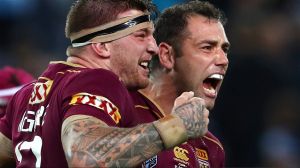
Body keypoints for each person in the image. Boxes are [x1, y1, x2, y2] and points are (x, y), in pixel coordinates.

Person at [0, 0, 209, 167]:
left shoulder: (27, 94)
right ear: (101, 46)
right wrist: (177, 125)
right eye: (141, 36)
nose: (153, 47)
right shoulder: (98, 80)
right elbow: (85, 158)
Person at [136, 1, 230, 167]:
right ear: (167, 55)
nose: (223, 60)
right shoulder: (118, 107)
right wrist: (173, 128)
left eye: (225, 50)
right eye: (207, 47)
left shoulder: (211, 148)